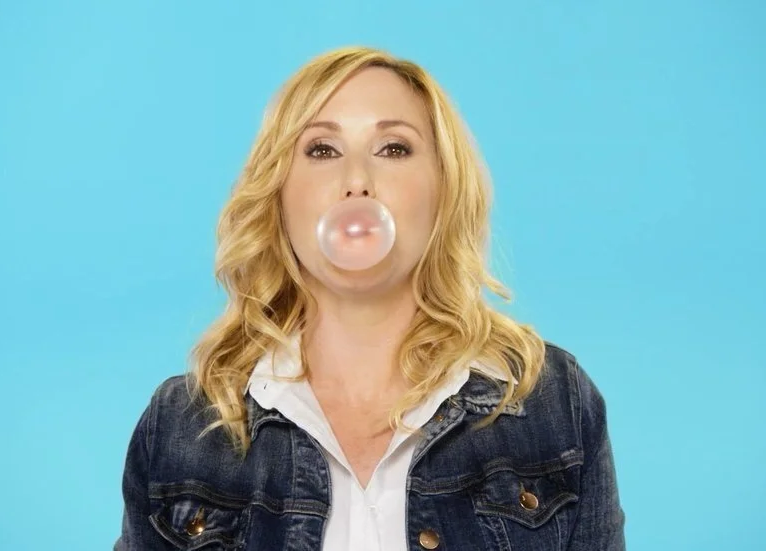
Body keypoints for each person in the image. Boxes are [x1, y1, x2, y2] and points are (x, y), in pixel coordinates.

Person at [114, 45, 625, 551]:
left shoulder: (553, 403)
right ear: (279, 193)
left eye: (393, 149)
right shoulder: (182, 429)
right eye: (322, 150)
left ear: (443, 190)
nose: (356, 182)